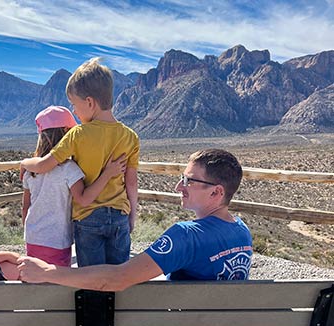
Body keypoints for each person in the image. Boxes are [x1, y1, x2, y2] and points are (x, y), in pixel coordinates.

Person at [17, 149, 253, 291]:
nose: (179, 186)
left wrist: (48, 272)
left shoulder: (186, 236)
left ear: (216, 192)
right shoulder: (242, 232)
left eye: (190, 181)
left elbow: (117, 279)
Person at [20, 58, 140, 267]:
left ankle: (94, 301)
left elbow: (44, 165)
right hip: (120, 215)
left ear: (90, 102)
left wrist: (24, 163)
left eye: (74, 104)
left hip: (88, 217)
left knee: (90, 278)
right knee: (120, 274)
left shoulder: (77, 135)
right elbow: (131, 182)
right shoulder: (131, 136)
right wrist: (132, 214)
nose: (74, 111)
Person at [22, 105, 126, 267]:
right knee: (58, 282)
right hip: (58, 240)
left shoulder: (31, 171)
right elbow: (84, 199)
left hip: (33, 237)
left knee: (36, 280)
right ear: (67, 133)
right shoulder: (69, 169)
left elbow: (25, 207)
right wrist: (107, 174)